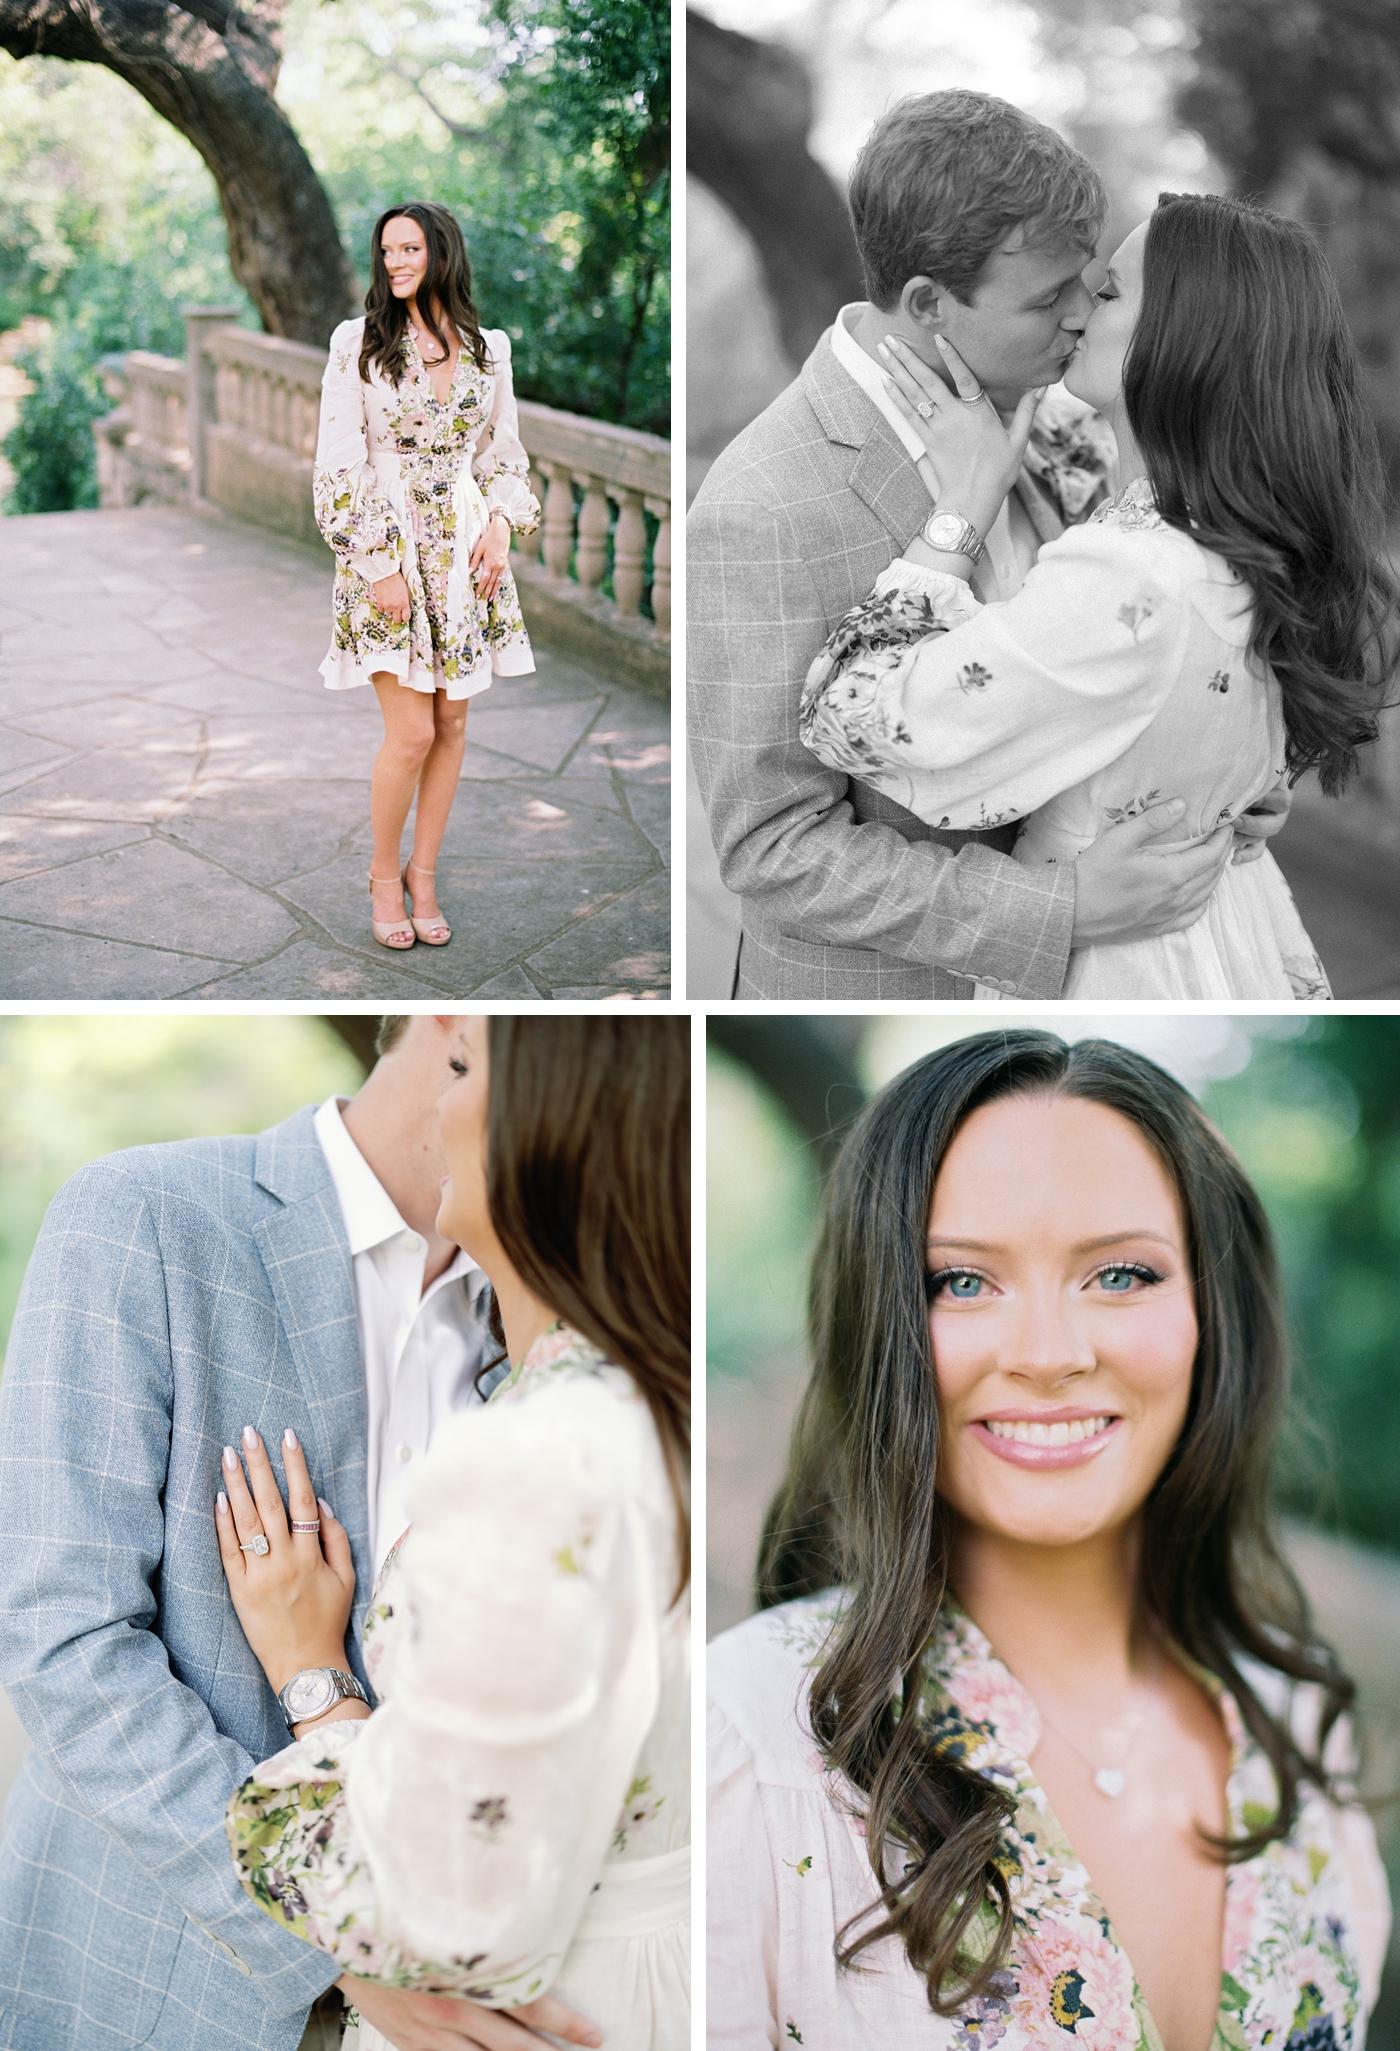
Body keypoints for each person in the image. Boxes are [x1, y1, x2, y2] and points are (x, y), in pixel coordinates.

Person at [708, 1030, 1391, 2047]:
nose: (1047, 1354)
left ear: (1215, 1312)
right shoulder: (755, 1737)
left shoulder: (1299, 1735)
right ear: (877, 1319)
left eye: (1119, 1274)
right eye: (960, 1281)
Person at [0, 1015, 595, 2051]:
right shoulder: (140, 1213)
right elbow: (65, 1642)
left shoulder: (547, 1338)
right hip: (148, 1993)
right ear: (461, 1024)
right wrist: (341, 1934)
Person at [687, 91, 1290, 1001]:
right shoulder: (765, 504)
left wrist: (1210, 768)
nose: (1085, 315)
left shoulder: (1068, 417)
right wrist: (1063, 907)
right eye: (1049, 298)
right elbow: (775, 852)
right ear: (930, 302)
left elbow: (1110, 667)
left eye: (1089, 280)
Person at [215, 1016, 691, 2051]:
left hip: (529, 2016)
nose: (434, 1103)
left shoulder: (539, 1455)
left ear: (563, 1121)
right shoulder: (658, 1406)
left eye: (466, 1067)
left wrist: (312, 1678)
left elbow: (440, 1912)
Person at [800, 192, 1398, 998]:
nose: (1077, 310)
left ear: (1184, 341)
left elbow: (850, 717)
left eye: (1109, 291)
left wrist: (960, 511)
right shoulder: (1258, 541)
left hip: (1114, 960)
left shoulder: (1134, 575)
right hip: (1224, 931)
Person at [315, 202, 540, 953]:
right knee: (409, 731)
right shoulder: (359, 344)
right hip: (389, 549)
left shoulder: (488, 349)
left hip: (465, 558)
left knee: (452, 722)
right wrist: (377, 563)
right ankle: (383, 877)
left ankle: (425, 875)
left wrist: (503, 527)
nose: (396, 262)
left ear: (442, 252)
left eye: (410, 248)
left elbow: (504, 459)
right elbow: (336, 465)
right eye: (386, 251)